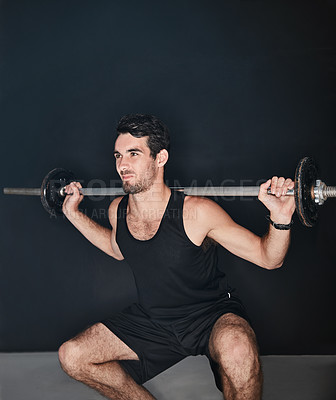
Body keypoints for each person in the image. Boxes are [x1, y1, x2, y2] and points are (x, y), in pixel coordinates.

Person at [58, 114, 296, 400]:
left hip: (209, 316)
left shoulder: (197, 212)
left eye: (134, 154)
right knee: (72, 355)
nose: (122, 165)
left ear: (161, 158)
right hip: (153, 320)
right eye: (118, 155)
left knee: (239, 349)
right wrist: (74, 214)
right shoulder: (117, 210)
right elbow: (118, 248)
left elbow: (268, 258)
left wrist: (280, 219)